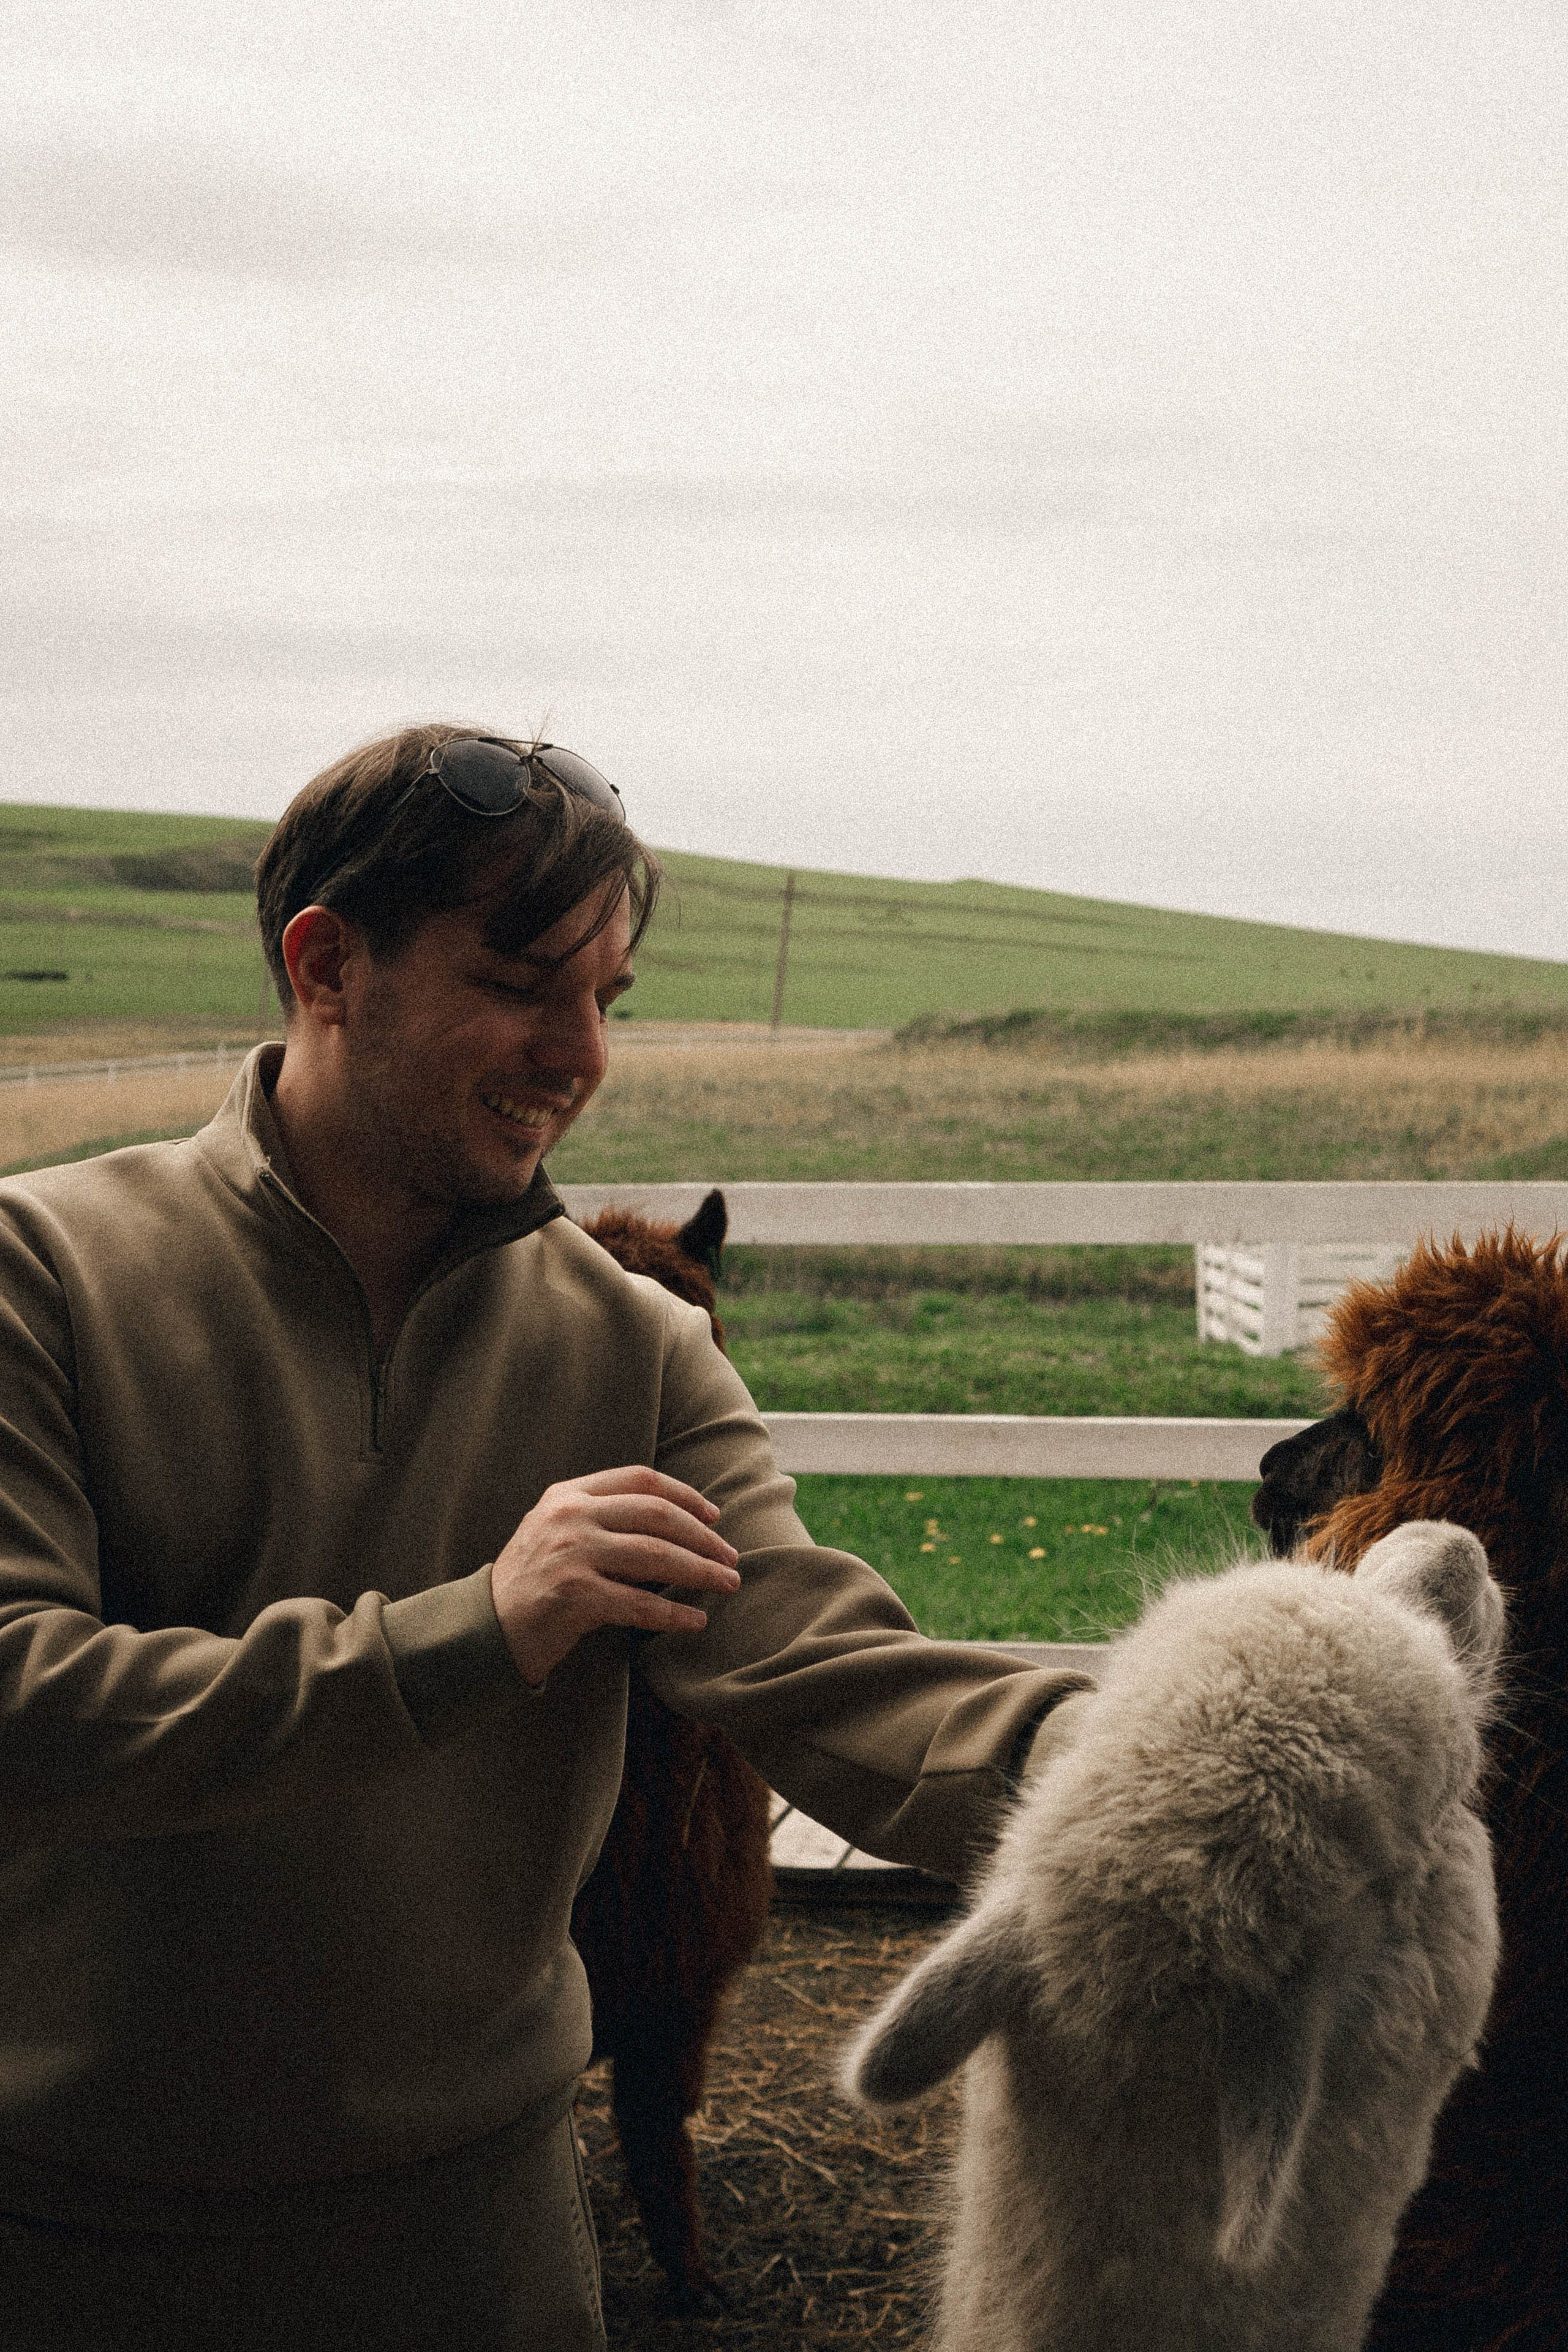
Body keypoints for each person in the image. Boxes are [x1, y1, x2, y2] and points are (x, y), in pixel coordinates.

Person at [0, 724, 1092, 2350]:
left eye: (610, 1000)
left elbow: (832, 1673)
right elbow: (27, 1703)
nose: (579, 1053)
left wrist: (1179, 1769)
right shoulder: (47, 1271)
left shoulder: (636, 1347)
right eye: (523, 982)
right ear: (327, 966)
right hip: (76, 2233)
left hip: (480, 2244)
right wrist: (475, 1629)